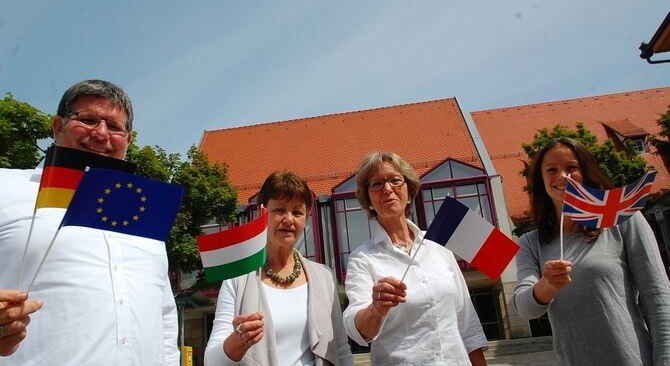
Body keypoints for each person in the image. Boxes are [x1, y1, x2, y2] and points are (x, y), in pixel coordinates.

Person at [0, 79, 180, 365]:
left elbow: (164, 316)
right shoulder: (5, 187)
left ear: (128, 140)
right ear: (58, 126)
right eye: (88, 120)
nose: (100, 134)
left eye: (114, 126)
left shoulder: (142, 213)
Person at [513, 137, 670, 365]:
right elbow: (524, 309)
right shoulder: (530, 243)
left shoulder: (623, 221)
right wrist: (546, 286)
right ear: (541, 181)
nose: (562, 177)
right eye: (552, 170)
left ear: (586, 171)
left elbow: (658, 297)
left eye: (571, 168)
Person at [342, 152, 488, 365]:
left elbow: (468, 325)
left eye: (395, 180)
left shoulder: (439, 246)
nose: (388, 189)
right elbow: (357, 330)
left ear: (409, 191)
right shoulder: (362, 258)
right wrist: (376, 309)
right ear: (369, 200)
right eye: (377, 184)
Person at [204, 171, 353, 366]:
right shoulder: (238, 279)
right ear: (262, 212)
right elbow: (211, 361)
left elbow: (341, 349)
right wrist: (237, 341)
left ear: (306, 217)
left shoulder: (324, 276)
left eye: (297, 212)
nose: (289, 219)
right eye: (280, 210)